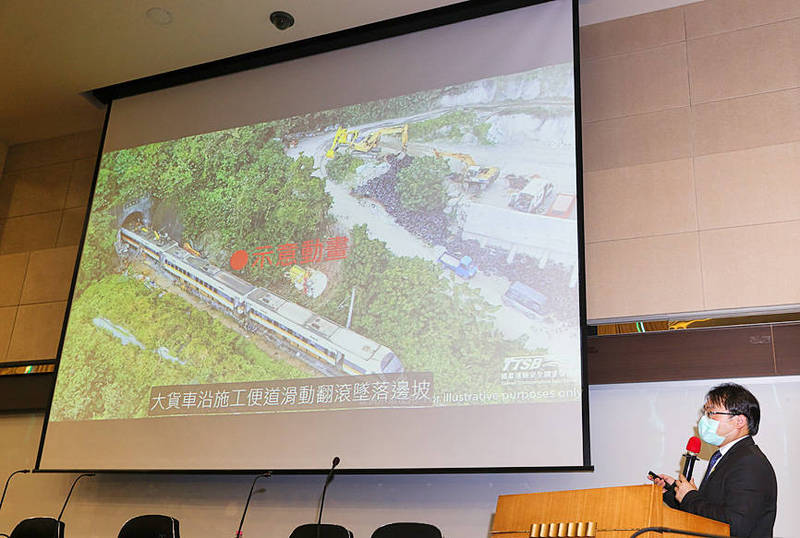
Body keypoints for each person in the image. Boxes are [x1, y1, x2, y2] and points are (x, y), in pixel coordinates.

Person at [648, 383, 777, 537]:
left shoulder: (750, 463)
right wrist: (675, 493)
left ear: (739, 421)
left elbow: (735, 525)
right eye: (705, 412)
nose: (703, 420)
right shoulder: (727, 457)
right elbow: (711, 513)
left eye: (711, 413)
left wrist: (690, 497)